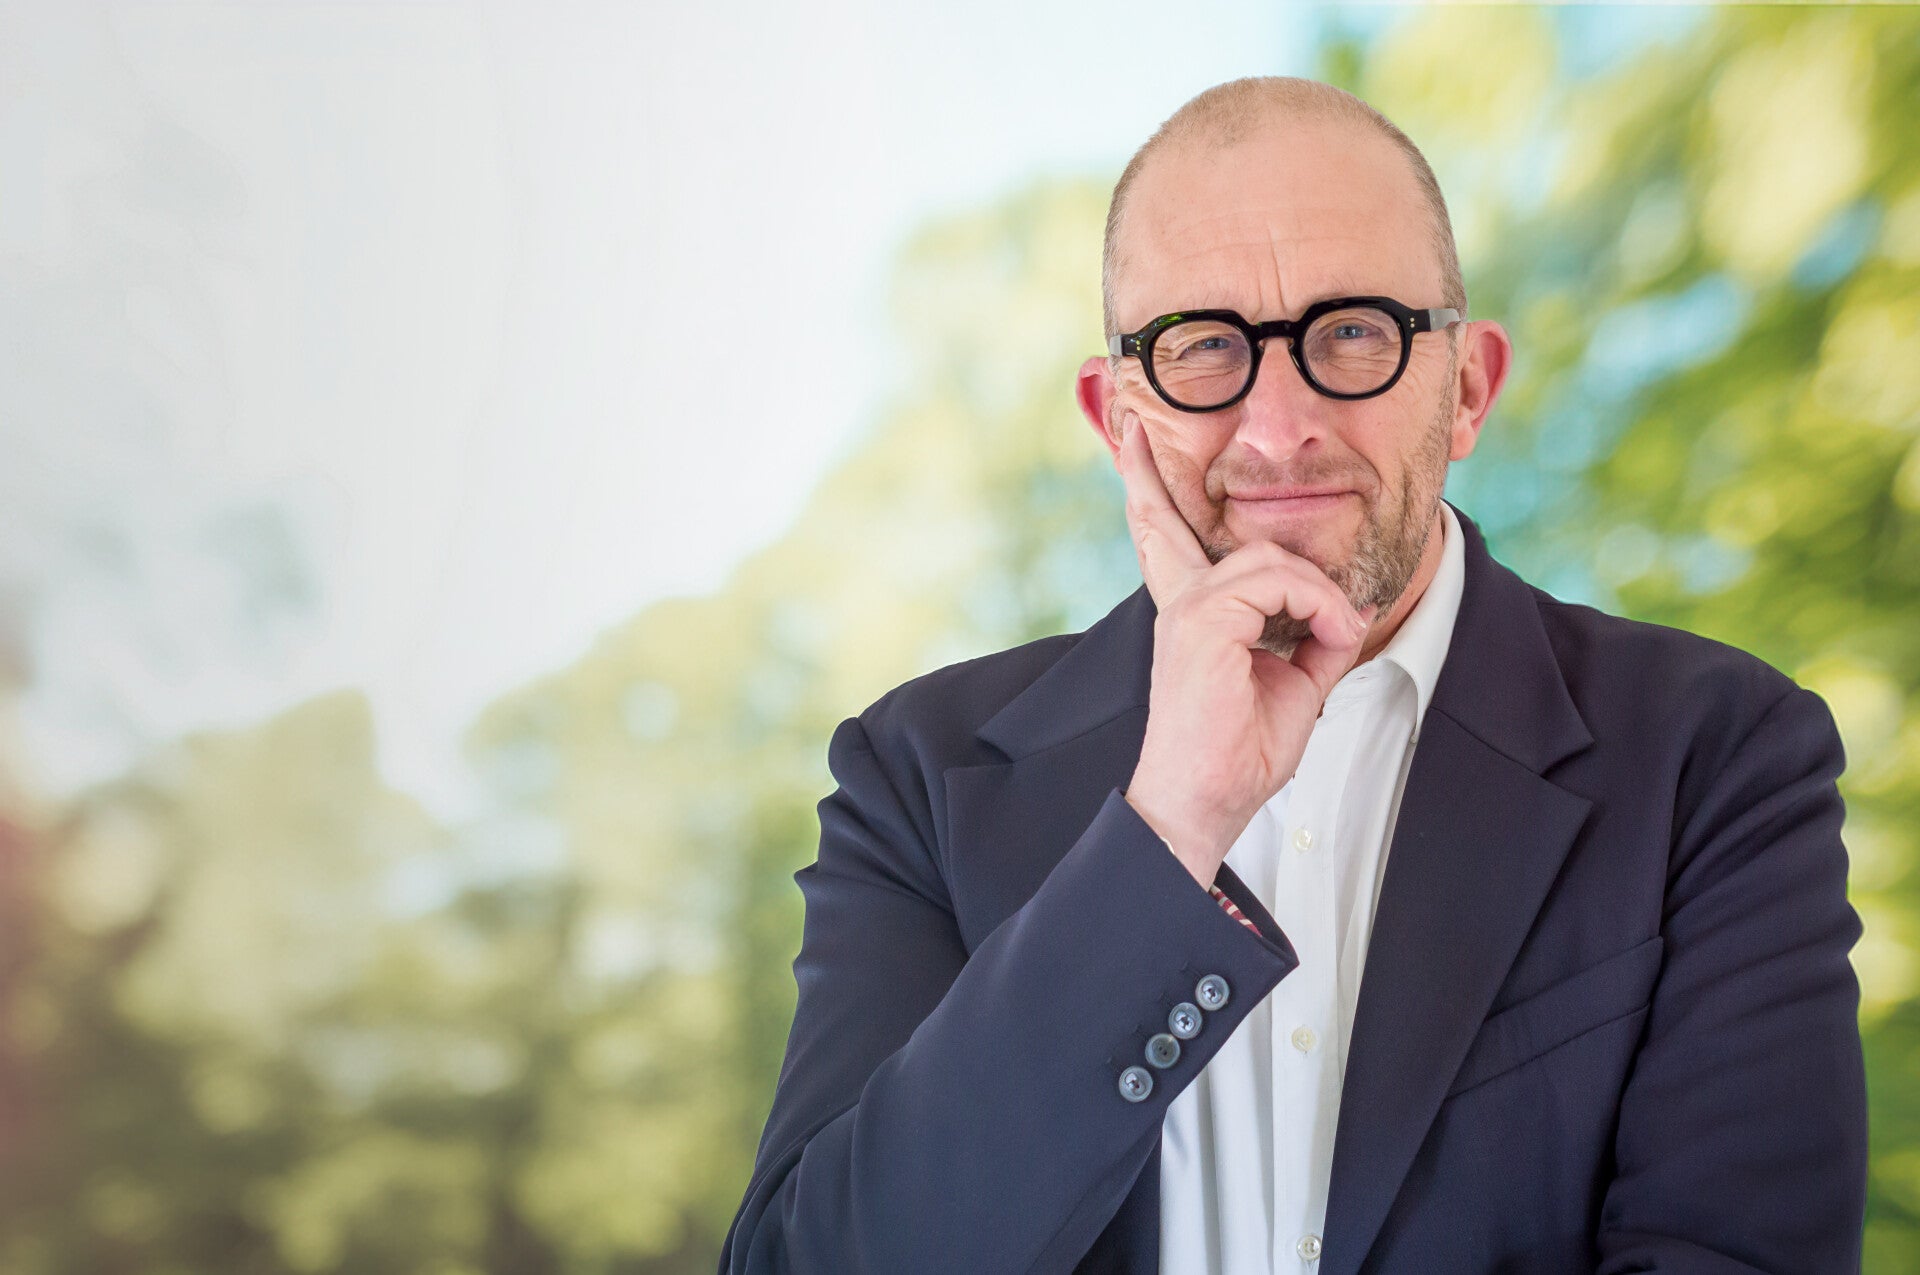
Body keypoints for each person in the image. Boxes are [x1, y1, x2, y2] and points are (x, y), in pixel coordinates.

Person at [718, 76, 1868, 1275]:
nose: (1279, 428)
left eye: (1355, 332)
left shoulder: (1718, 758)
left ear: (1468, 389)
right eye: (1203, 347)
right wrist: (1168, 825)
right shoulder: (916, 776)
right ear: (1118, 420)